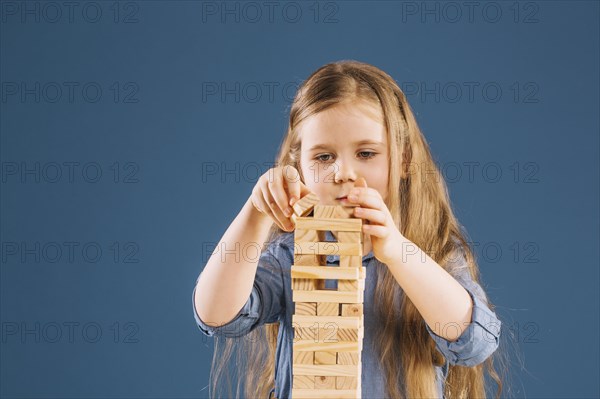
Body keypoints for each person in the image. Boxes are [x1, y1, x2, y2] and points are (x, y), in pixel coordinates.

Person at [192, 60, 504, 399]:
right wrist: (255, 213)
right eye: (324, 157)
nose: (343, 172)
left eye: (366, 153)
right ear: (300, 168)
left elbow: (474, 341)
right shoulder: (292, 255)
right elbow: (216, 315)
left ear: (403, 160)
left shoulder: (433, 251)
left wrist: (397, 251)